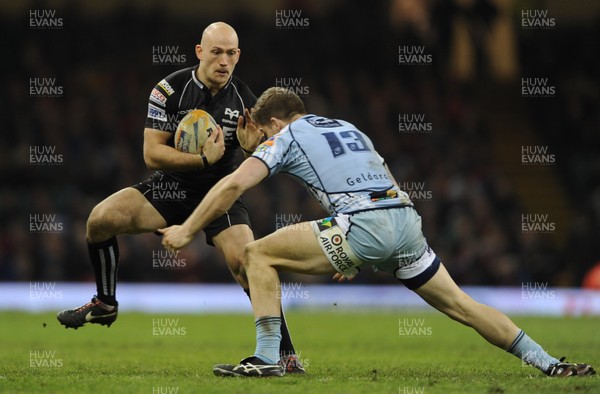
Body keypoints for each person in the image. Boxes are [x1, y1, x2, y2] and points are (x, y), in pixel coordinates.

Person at [160, 87, 596, 378]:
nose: (256, 136)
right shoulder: (348, 127)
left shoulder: (285, 136)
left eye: (258, 129)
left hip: (364, 224)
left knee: (255, 254)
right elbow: (379, 172)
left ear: (272, 123)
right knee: (462, 305)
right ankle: (549, 364)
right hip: (404, 222)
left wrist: (188, 227)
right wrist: (356, 250)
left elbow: (234, 183)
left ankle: (268, 358)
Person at [56, 23, 304, 373]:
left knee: (248, 263)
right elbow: (151, 154)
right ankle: (106, 302)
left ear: (238, 56)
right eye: (216, 51)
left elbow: (261, 157)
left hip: (221, 194)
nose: (224, 60)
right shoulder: (169, 90)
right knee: (100, 220)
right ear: (199, 52)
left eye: (231, 53)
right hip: (171, 188)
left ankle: (286, 356)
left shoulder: (247, 101)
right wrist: (202, 160)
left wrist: (249, 149)